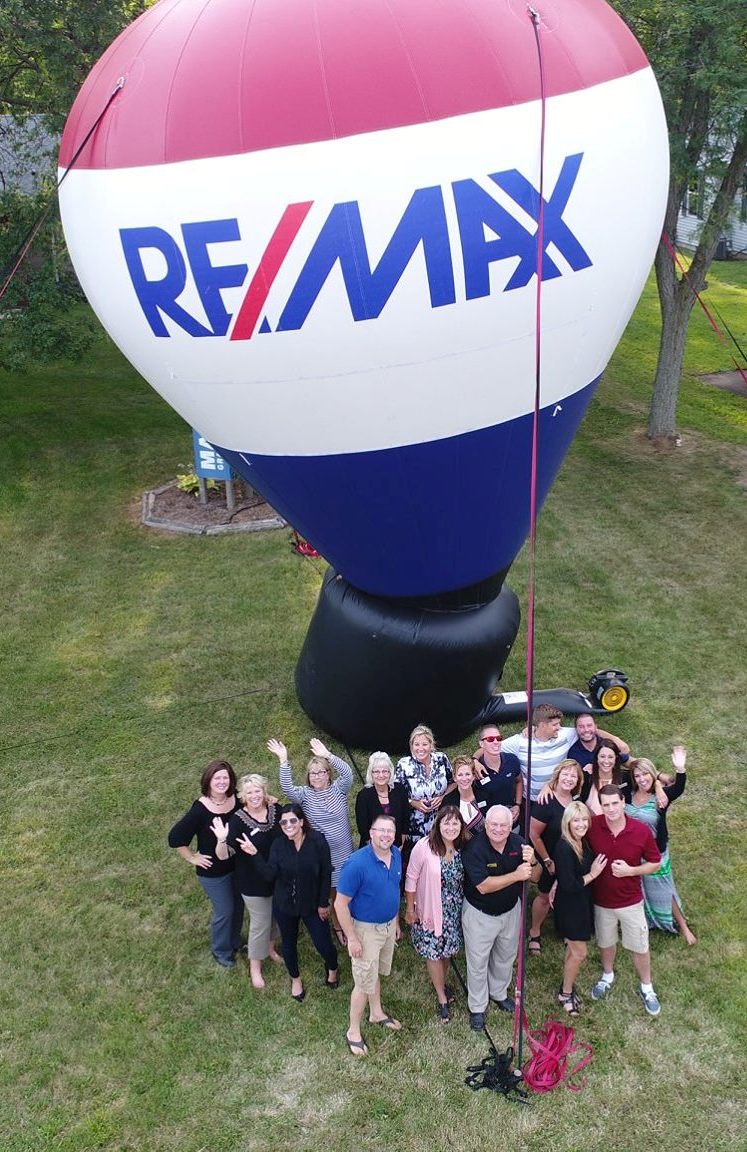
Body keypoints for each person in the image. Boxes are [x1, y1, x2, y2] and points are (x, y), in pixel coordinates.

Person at [244, 802, 338, 1000]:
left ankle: (332, 968)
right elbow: (269, 875)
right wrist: (255, 854)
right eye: (284, 822)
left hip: (312, 905)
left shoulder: (317, 841)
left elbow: (325, 874)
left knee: (324, 944)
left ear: (302, 822)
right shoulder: (278, 845)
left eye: (293, 820)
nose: (288, 825)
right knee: (289, 943)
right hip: (285, 905)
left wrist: (323, 903)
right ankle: (295, 979)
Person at [268, 736, 354, 946]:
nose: (316, 776)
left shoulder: (339, 789)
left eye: (321, 772)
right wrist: (283, 760)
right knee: (333, 891)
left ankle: (351, 919)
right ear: (308, 776)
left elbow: (348, 773)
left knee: (349, 887)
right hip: (323, 854)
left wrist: (328, 755)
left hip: (344, 851)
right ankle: (338, 925)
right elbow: (287, 788)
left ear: (328, 774)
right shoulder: (304, 795)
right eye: (312, 773)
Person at [461, 805, 540, 1031]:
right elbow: (483, 886)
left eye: (503, 825)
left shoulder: (519, 844)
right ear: (486, 825)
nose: (498, 829)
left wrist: (533, 861)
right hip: (480, 913)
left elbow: (535, 877)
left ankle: (498, 993)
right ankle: (477, 1006)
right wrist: (516, 875)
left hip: (511, 910)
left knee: (505, 956)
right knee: (478, 962)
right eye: (493, 824)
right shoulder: (474, 848)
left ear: (511, 825)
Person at [587, 785, 663, 1016]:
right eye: (605, 805)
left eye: (614, 803)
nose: (611, 809)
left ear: (623, 802)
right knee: (605, 942)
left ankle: (647, 987)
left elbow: (655, 863)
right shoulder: (593, 826)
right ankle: (607, 975)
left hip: (631, 901)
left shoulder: (640, 831)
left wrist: (631, 871)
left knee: (640, 945)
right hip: (601, 901)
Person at [334, 814, 403, 1056]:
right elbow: (340, 904)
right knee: (363, 983)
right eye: (380, 830)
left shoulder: (396, 854)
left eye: (390, 831)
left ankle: (376, 1013)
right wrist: (352, 938)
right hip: (365, 931)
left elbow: (393, 889)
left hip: (387, 926)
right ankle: (353, 1031)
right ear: (371, 833)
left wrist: (395, 921)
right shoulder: (356, 864)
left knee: (374, 973)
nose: (386, 835)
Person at [168, 759, 243, 968]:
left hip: (238, 865)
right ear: (208, 781)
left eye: (225, 777)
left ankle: (235, 941)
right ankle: (221, 950)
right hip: (213, 872)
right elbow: (175, 837)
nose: (222, 782)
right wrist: (192, 857)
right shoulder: (200, 809)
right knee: (225, 910)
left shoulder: (236, 798)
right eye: (217, 778)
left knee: (238, 906)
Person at [624, 746, 695, 944]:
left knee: (664, 888)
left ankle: (683, 927)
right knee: (641, 888)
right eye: (637, 776)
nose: (641, 779)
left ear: (652, 774)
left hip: (655, 852)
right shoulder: (627, 793)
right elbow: (618, 762)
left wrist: (680, 769)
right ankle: (648, 921)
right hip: (634, 852)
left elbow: (678, 788)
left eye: (645, 774)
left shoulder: (661, 797)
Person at [405, 806, 470, 1022]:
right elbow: (411, 878)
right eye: (446, 823)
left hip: (454, 911)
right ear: (438, 825)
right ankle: (442, 997)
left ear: (461, 826)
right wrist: (410, 909)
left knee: (447, 951)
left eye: (455, 823)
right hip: (430, 909)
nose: (451, 827)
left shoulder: (464, 846)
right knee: (434, 952)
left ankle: (441, 982)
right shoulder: (425, 846)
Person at [219, 773, 283, 988]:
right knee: (260, 924)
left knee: (275, 918)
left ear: (265, 793)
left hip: (276, 876)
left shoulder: (276, 810)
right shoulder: (238, 820)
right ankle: (255, 968)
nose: (254, 796)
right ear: (243, 796)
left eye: (258, 791)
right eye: (249, 792)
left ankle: (271, 949)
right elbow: (225, 854)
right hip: (252, 881)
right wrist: (221, 840)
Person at [501, 704, 623, 802]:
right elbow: (493, 747)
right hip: (531, 801)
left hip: (559, 798)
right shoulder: (519, 742)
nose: (559, 727)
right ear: (542, 725)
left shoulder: (564, 735)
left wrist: (615, 739)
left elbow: (588, 731)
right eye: (555, 724)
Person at [552, 801, 607, 1016]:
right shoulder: (564, 847)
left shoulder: (581, 841)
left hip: (581, 902)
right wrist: (593, 874)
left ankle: (566, 986)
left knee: (573, 951)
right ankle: (565, 993)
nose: (581, 824)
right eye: (576, 820)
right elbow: (569, 885)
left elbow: (565, 877)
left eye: (584, 819)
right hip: (570, 907)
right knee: (580, 953)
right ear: (568, 822)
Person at [528, 759, 585, 954]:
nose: (569, 779)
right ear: (558, 776)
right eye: (565, 774)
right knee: (544, 896)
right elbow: (533, 834)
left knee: (568, 893)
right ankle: (535, 931)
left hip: (570, 858)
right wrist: (546, 860)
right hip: (549, 857)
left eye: (573, 776)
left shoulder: (577, 802)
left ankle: (566, 929)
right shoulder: (546, 801)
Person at [395, 724, 453, 849]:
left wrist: (443, 797)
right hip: (415, 827)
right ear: (411, 746)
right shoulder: (404, 765)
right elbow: (396, 794)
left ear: (431, 745)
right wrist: (412, 802)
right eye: (416, 744)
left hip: (441, 822)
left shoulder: (441, 759)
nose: (420, 748)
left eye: (424, 744)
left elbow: (453, 782)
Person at [355, 752, 410, 847]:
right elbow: (363, 829)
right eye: (376, 772)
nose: (381, 775)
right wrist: (379, 851)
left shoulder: (400, 790)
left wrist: (399, 847)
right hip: (372, 847)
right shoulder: (363, 796)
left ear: (390, 773)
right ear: (371, 774)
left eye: (385, 771)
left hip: (397, 846)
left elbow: (405, 821)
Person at [471, 724, 523, 826]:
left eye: (498, 738)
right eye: (490, 739)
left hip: (511, 821)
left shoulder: (512, 760)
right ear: (481, 744)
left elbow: (519, 781)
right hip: (487, 824)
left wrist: (517, 804)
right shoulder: (474, 769)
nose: (495, 742)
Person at [442, 755, 489, 832]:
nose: (464, 779)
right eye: (460, 775)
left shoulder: (485, 794)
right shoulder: (448, 802)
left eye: (467, 774)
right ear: (454, 778)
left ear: (473, 776)